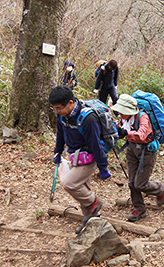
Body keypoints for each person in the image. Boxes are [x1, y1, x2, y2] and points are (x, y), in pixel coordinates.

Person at [49, 85, 111, 234]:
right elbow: (61, 134)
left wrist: (103, 167)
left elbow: (95, 145)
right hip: (75, 156)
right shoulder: (62, 116)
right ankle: (91, 222)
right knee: (83, 188)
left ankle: (94, 202)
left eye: (59, 108)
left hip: (89, 157)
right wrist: (58, 151)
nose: (57, 112)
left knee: (69, 183)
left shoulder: (88, 119)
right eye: (54, 108)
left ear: (71, 103)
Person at [112, 94, 164, 222]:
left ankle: (162, 188)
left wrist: (126, 133)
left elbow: (142, 135)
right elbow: (123, 131)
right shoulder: (124, 119)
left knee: (140, 183)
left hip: (146, 151)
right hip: (131, 149)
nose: (120, 115)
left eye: (122, 112)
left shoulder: (143, 117)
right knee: (132, 182)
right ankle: (139, 208)